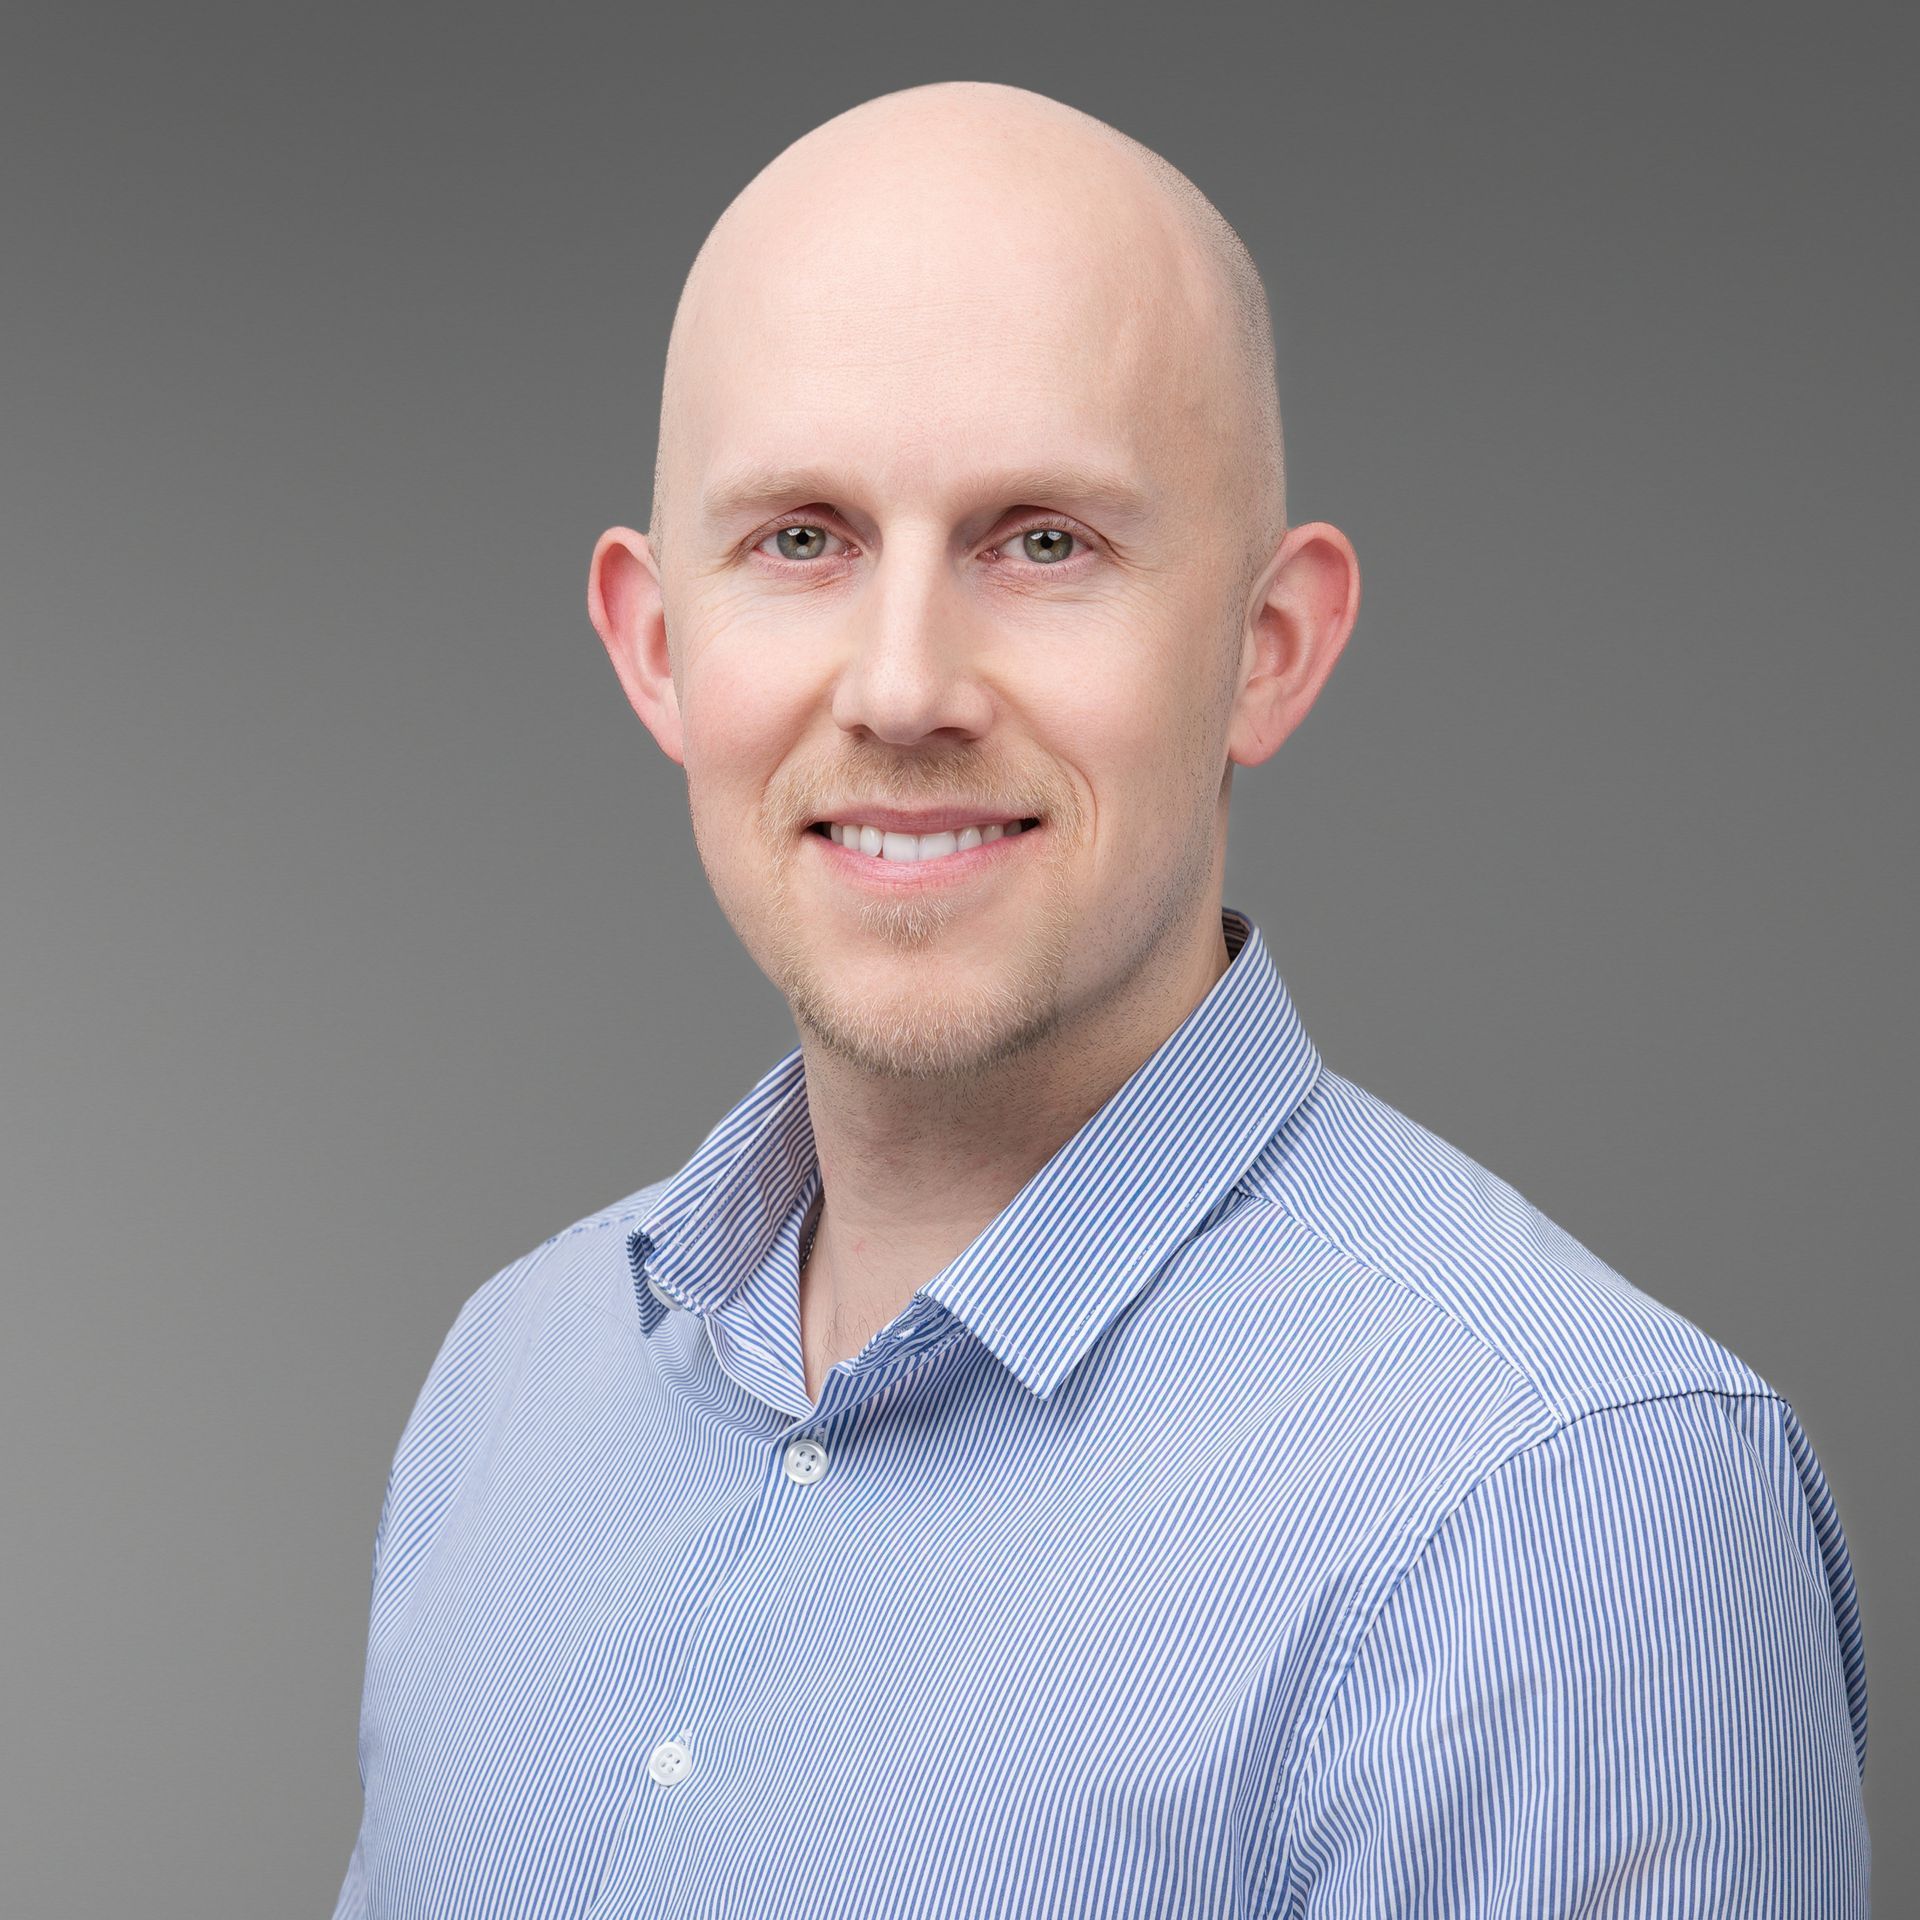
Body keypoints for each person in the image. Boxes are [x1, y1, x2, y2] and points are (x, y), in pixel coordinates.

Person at [331, 80, 1869, 1917]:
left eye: (1043, 541)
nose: (902, 688)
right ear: (659, 648)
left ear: (1264, 651)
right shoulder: (515, 1385)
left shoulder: (1566, 1518)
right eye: (803, 540)